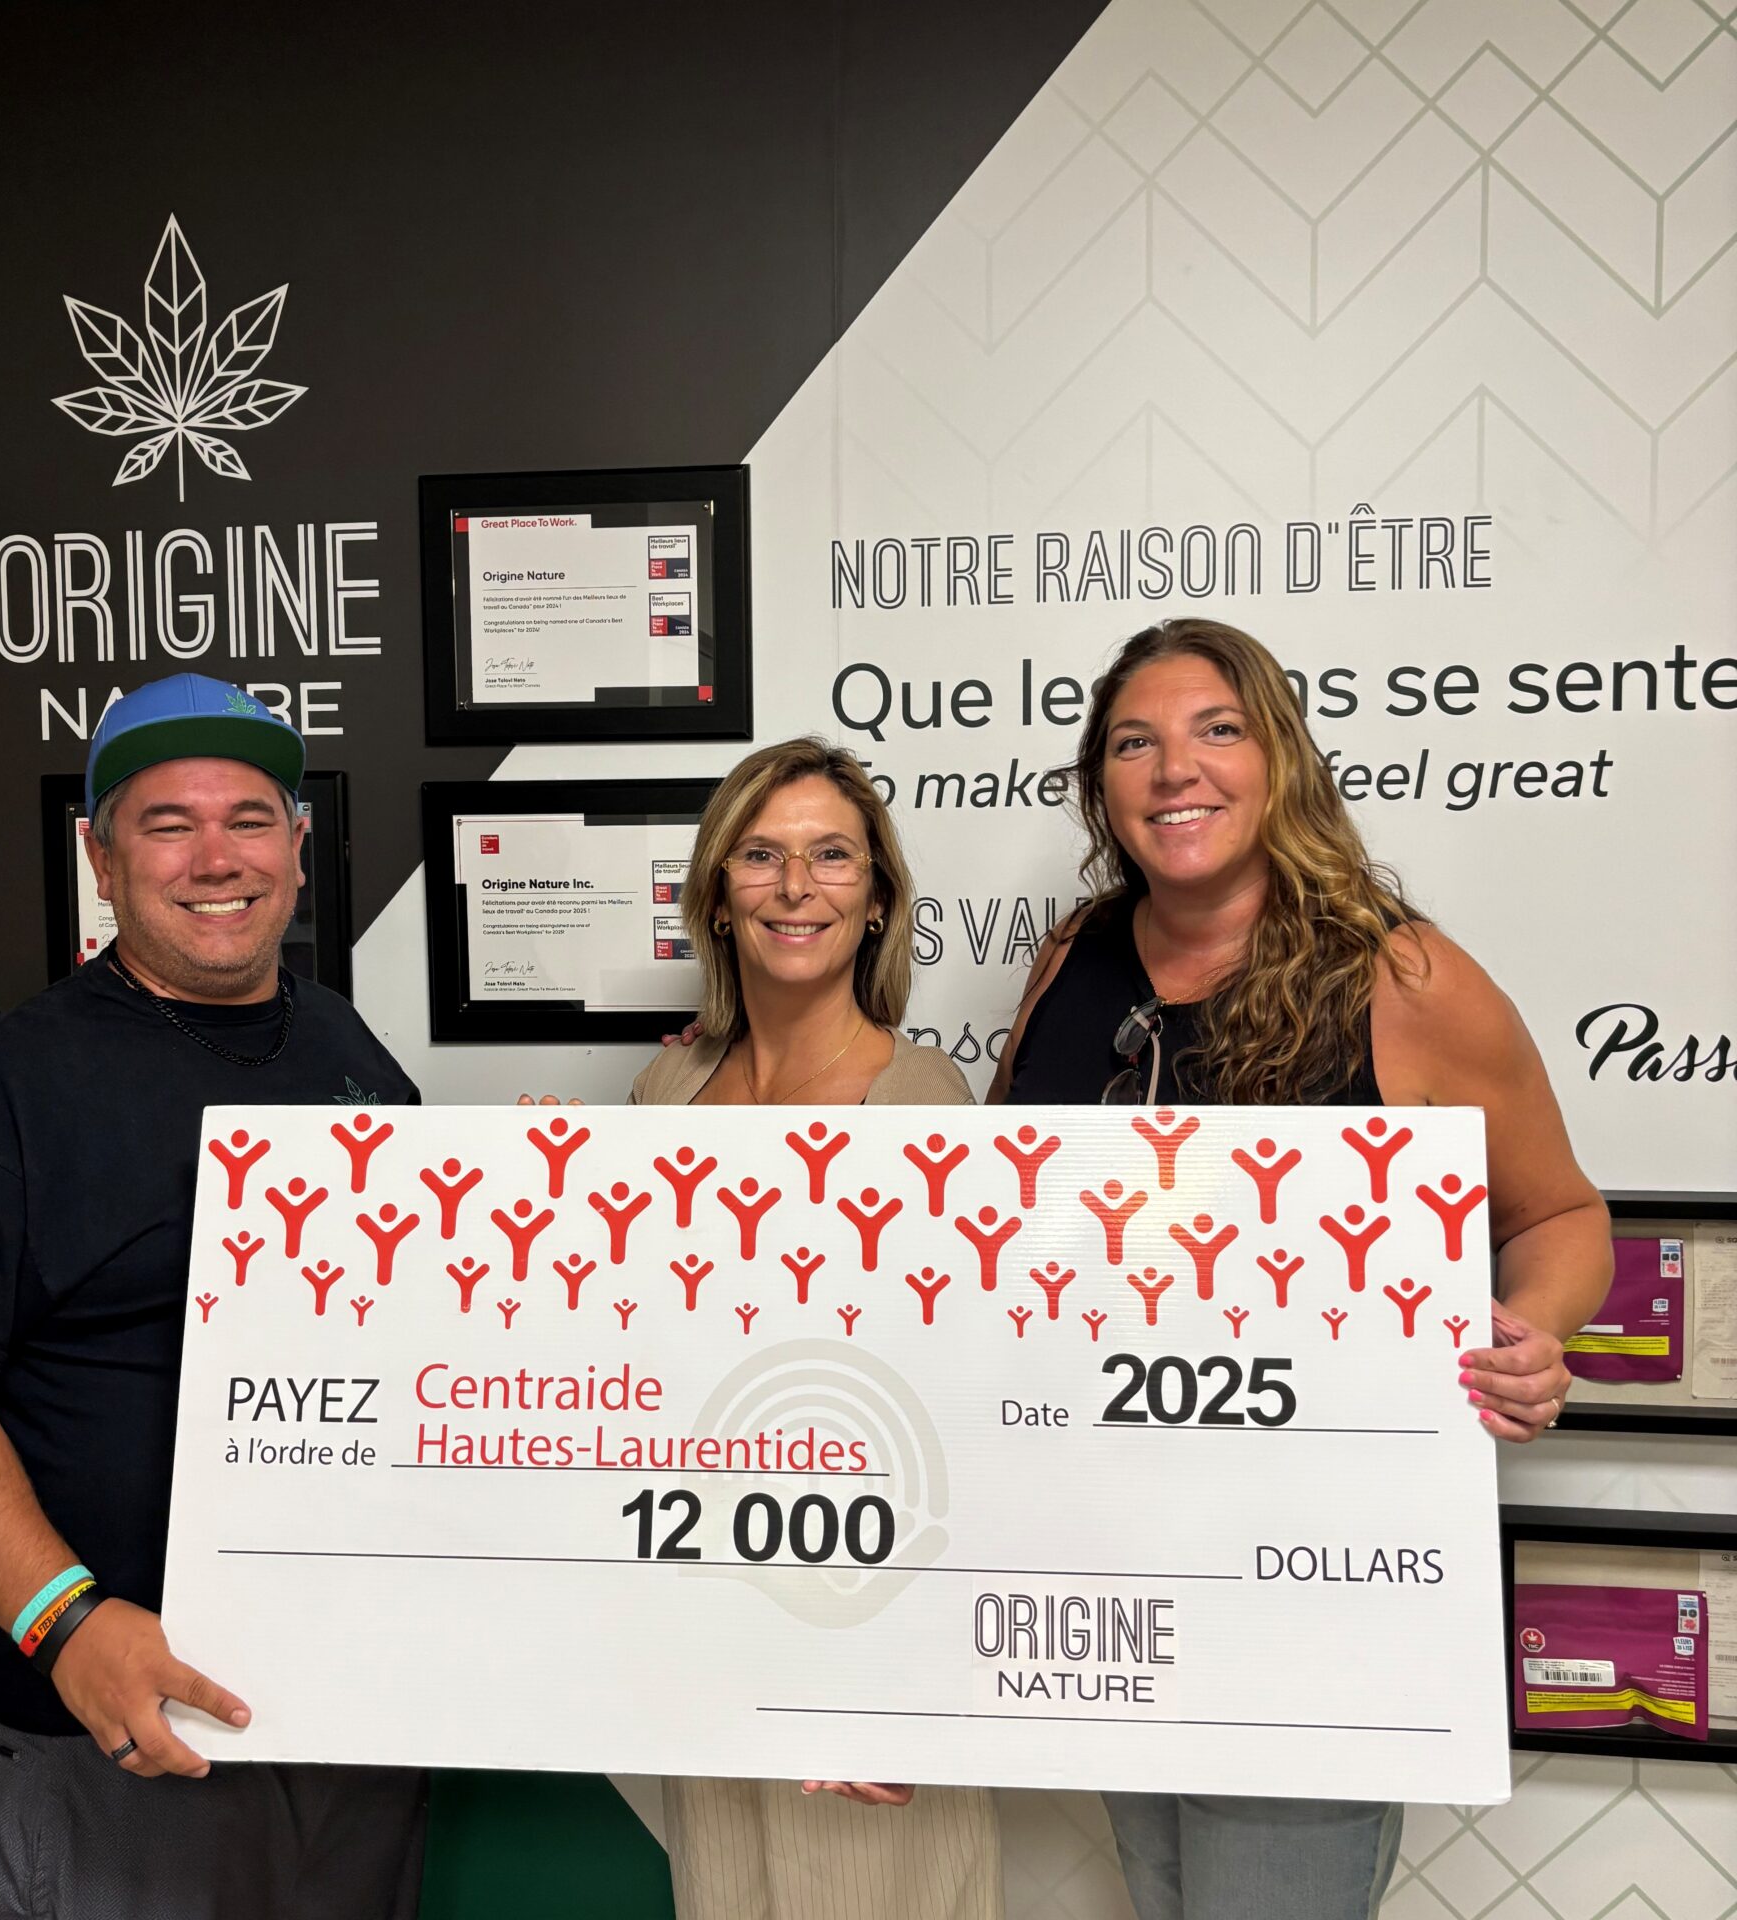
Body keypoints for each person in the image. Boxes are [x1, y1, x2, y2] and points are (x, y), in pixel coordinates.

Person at [990, 618, 1613, 1920]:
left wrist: (1533, 1332)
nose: (1177, 770)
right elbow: (1002, 1218)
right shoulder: (1071, 959)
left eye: (1217, 731)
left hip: (1311, 1580)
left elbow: (1559, 1218)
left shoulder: (1401, 975)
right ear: (1100, 788)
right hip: (1109, 1565)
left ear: (1279, 761)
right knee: (1164, 1898)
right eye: (1134, 743)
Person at [0, 675, 428, 1920]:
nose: (218, 857)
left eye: (250, 819)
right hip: (106, 1731)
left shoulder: (346, 1053)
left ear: (299, 851)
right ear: (101, 857)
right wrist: (69, 1624)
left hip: (336, 1726)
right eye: (167, 824)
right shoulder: (5, 1085)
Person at [630, 737, 1004, 1920]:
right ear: (718, 896)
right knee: (726, 1889)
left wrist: (907, 1676)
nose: (797, 887)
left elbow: (961, 1402)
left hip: (868, 1597)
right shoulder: (663, 1093)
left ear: (879, 894)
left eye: (832, 855)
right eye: (762, 855)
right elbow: (635, 1346)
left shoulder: (925, 1098)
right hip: (707, 1591)